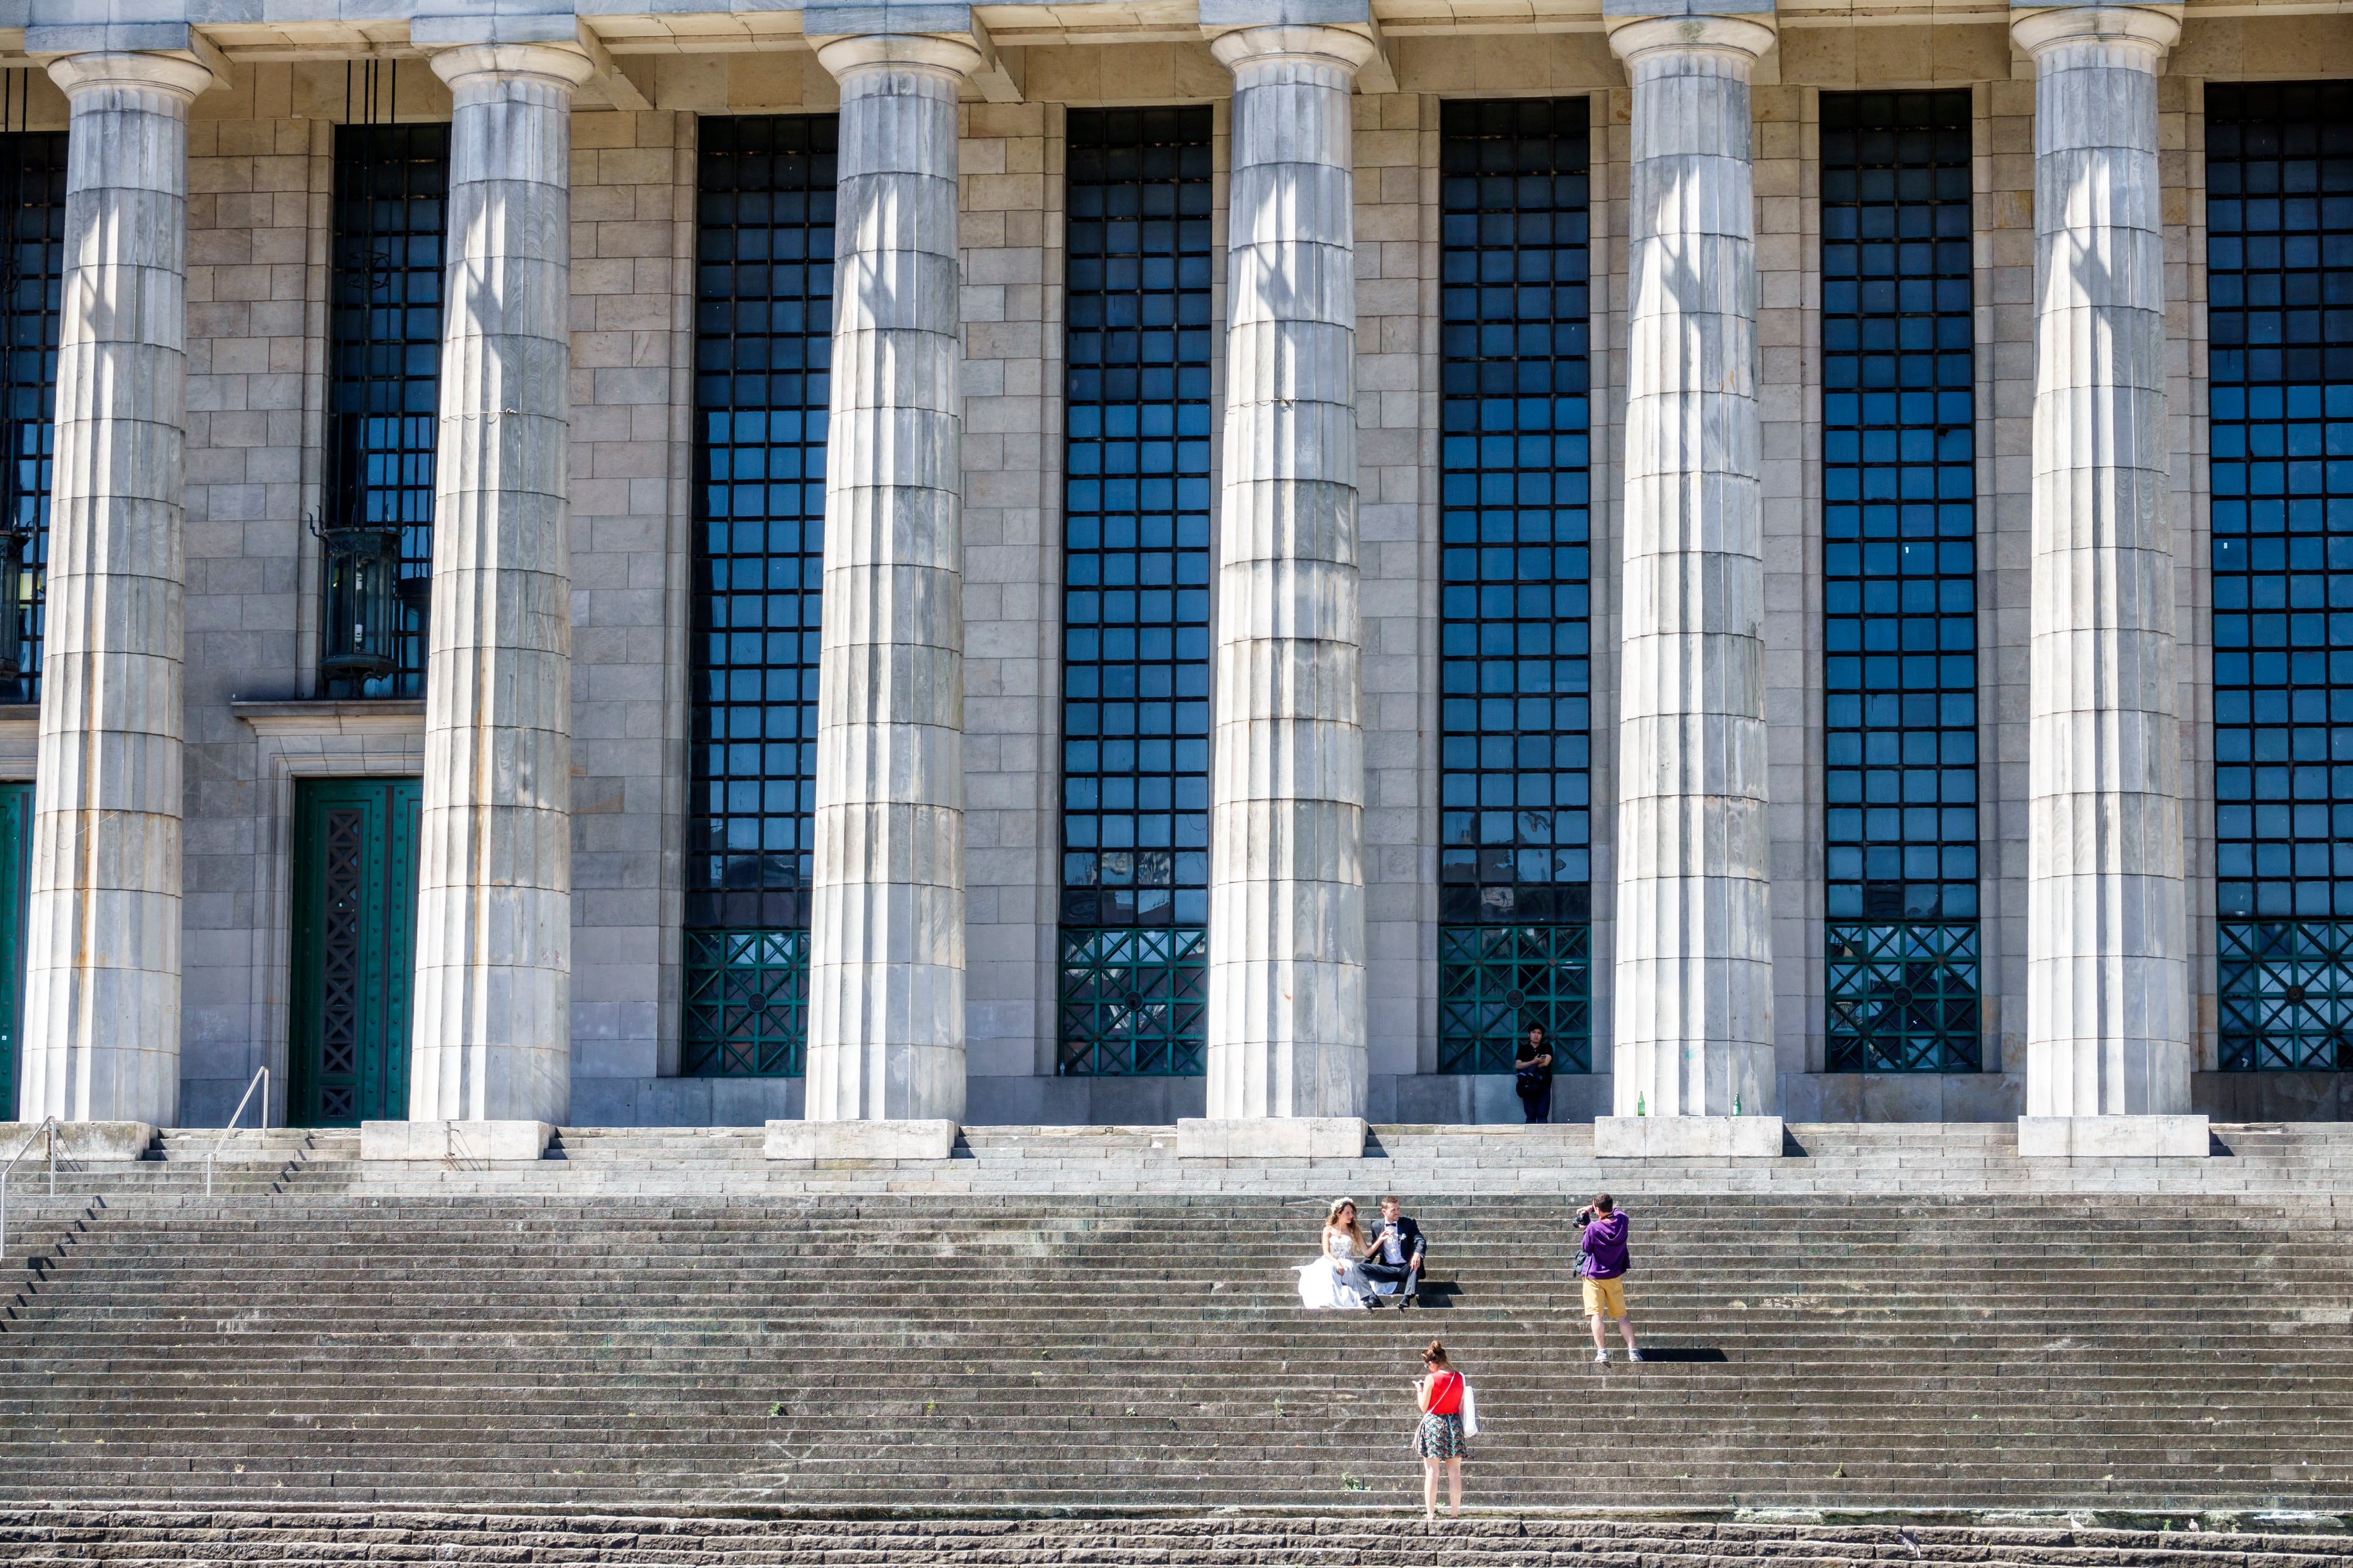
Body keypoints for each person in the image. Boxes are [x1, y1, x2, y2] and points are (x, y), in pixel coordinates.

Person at [1576, 1193, 1642, 1363]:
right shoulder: (1623, 1221)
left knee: (1596, 1314)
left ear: (1597, 1209)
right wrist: (1595, 1208)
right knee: (1622, 1316)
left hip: (1594, 1277)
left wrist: (1587, 1223)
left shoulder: (1593, 1228)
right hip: (1614, 1276)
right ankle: (1633, 1351)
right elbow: (1618, 1212)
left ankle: (1602, 1352)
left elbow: (1586, 1248)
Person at [1412, 1339, 1468, 1520]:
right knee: (1455, 1472)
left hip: (1435, 1424)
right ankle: (1454, 1514)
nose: (1428, 1369)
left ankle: (1430, 1514)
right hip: (1454, 1424)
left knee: (1432, 1472)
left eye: (1428, 1365)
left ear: (1433, 1363)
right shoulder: (1459, 1377)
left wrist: (1419, 1390)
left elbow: (1423, 1406)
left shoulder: (1431, 1379)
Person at [1295, 1197, 1377, 1310]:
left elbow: (1367, 1252)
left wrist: (1380, 1240)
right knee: (1329, 1269)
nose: (1351, 1216)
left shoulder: (1354, 1231)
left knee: (1339, 1269)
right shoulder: (1328, 1230)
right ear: (1339, 1214)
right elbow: (1326, 1252)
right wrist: (1336, 1262)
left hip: (1348, 1263)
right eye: (1347, 1213)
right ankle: (1330, 1300)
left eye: (1352, 1213)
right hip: (1331, 1260)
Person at [1359, 1194, 1425, 1309]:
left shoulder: (1408, 1223)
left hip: (1406, 1268)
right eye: (1393, 1210)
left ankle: (1407, 1298)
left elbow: (1420, 1241)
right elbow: (1374, 1251)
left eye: (1398, 1209)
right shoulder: (1376, 1226)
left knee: (1418, 1260)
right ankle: (1371, 1298)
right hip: (1387, 1269)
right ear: (1384, 1211)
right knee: (1358, 1268)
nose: (1397, 1212)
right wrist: (1363, 1268)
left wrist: (1417, 1253)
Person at [1513, 1024, 1554, 1124]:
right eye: (1534, 1032)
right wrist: (1534, 1062)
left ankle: (1543, 1138)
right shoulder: (1523, 1049)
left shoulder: (1547, 1047)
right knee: (1530, 1115)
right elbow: (1518, 1066)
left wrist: (1527, 1065)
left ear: (1542, 1036)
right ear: (1529, 1034)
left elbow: (1546, 1063)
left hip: (1543, 1084)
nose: (1536, 1035)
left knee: (1542, 1114)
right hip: (1527, 1085)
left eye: (1539, 1033)